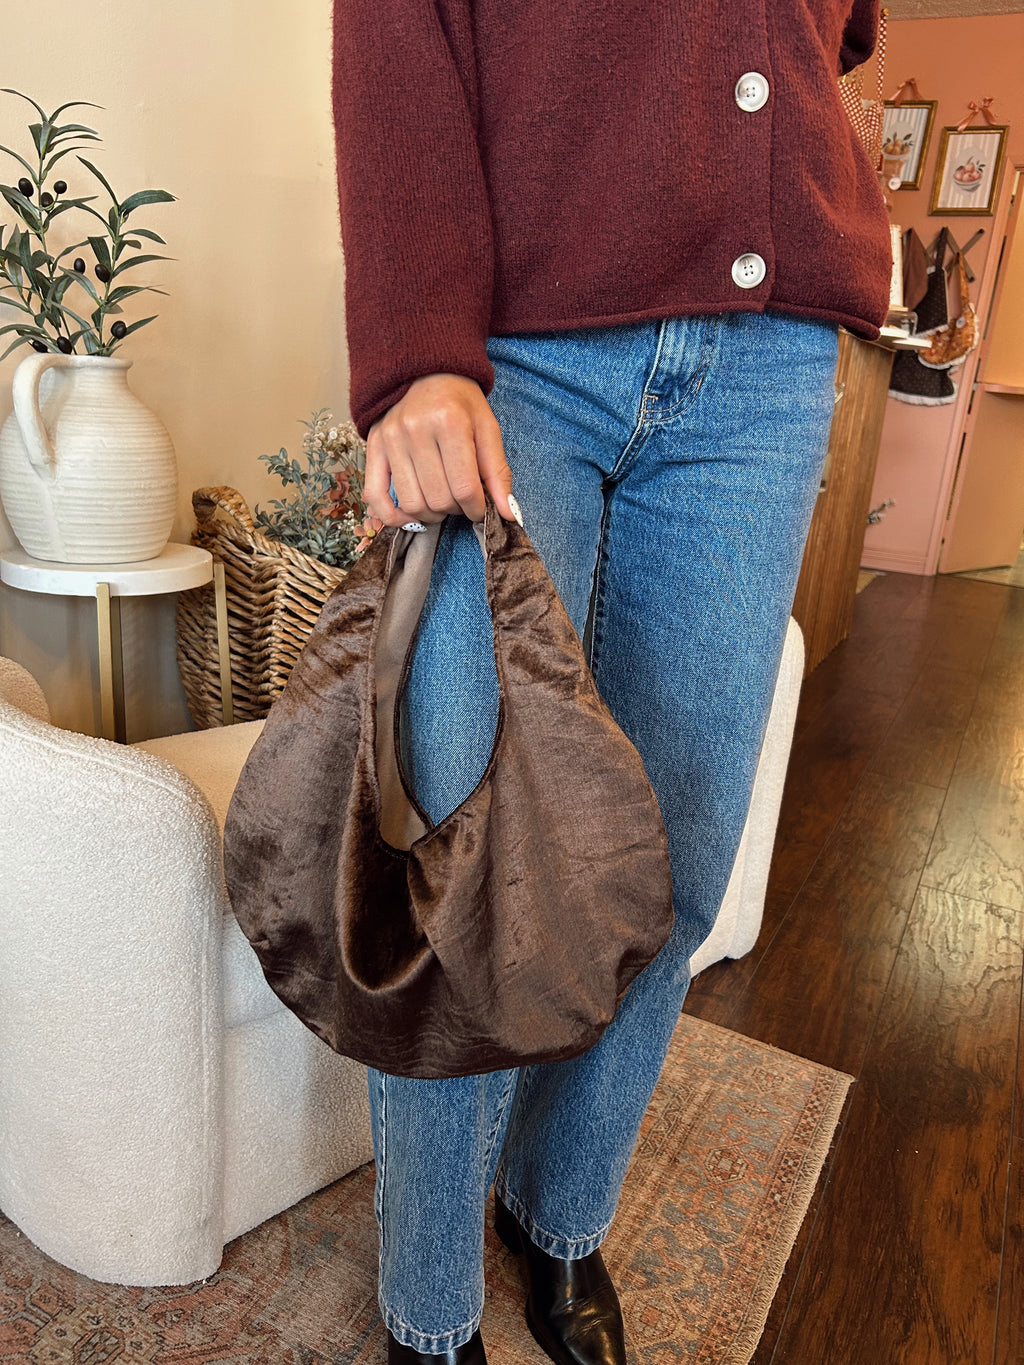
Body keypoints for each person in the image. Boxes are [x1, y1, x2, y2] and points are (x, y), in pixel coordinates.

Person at [329, 4, 891, 1364]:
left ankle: (556, 1210)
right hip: (517, 344)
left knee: (677, 850)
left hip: (768, 360)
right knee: (469, 864)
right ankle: (429, 1307)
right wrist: (417, 349)